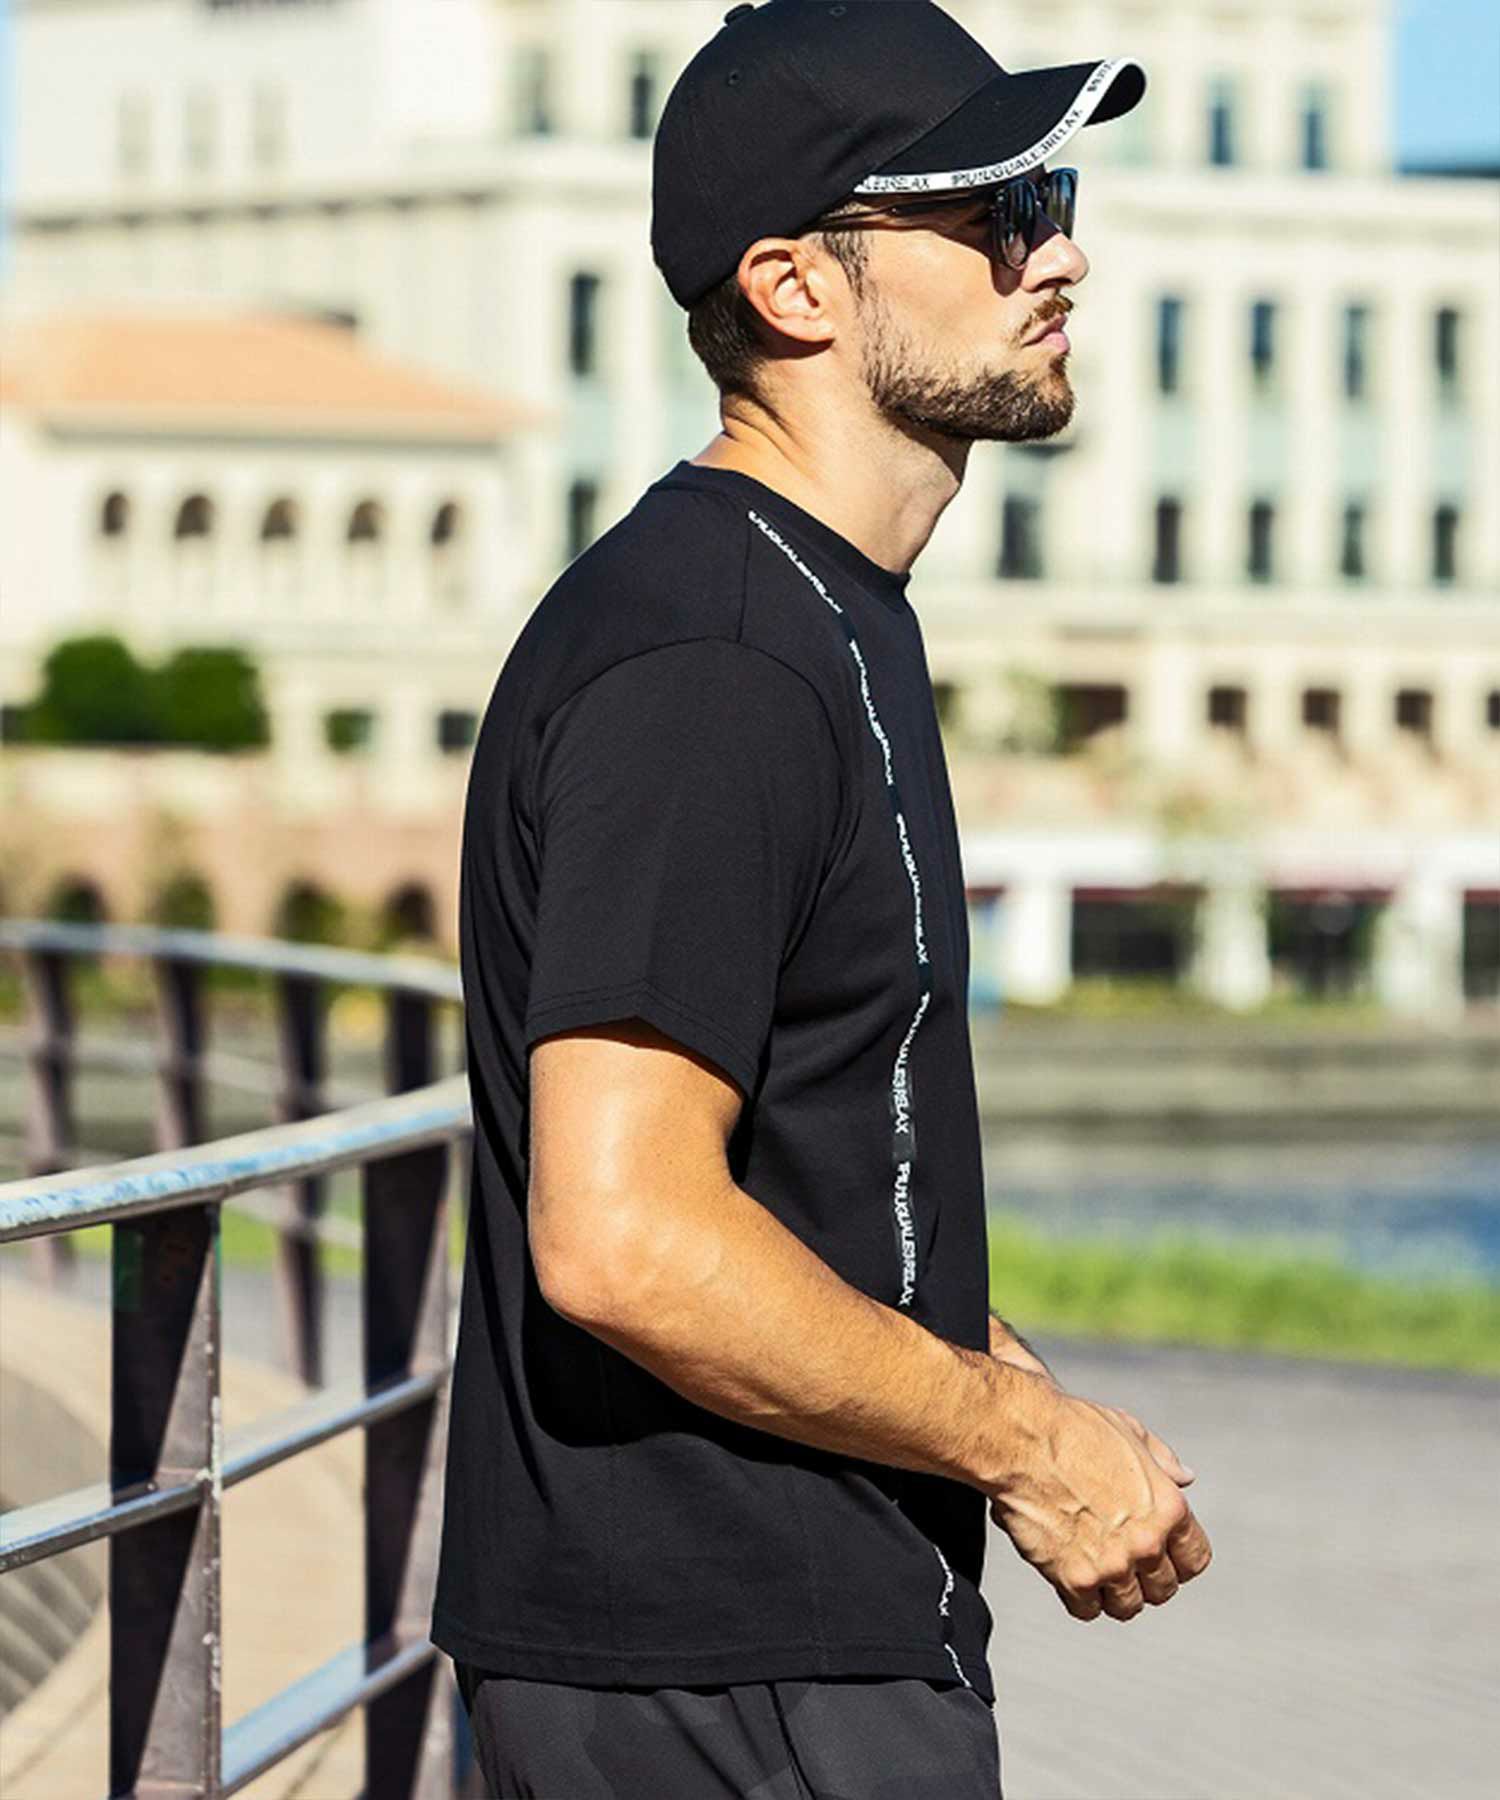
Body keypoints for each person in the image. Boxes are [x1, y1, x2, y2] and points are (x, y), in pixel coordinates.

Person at [432, 3, 1212, 1794]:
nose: (1057, 255)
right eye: (990, 213)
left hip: (775, 1660)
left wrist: (1026, 1395)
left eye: (1054, 198)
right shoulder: (715, 662)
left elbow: (809, 1174)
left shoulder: (807, 613)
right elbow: (624, 1234)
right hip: (724, 1683)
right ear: (793, 288)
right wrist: (1020, 1443)